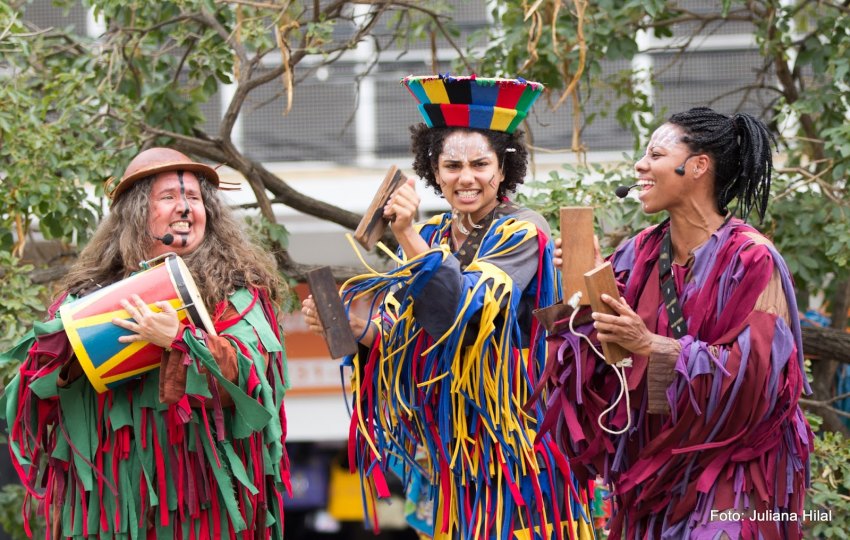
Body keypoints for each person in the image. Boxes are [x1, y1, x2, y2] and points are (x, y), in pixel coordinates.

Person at [302, 75, 594, 540]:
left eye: (481, 163)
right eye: (452, 165)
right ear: (434, 171)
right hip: (454, 455)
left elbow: (467, 311)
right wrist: (356, 327)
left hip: (519, 445)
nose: (467, 177)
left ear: (502, 169)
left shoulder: (522, 229)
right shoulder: (436, 236)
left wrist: (406, 236)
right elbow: (409, 342)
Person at [539, 107, 813, 538]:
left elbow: (759, 381)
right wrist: (592, 280)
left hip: (729, 473)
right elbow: (606, 362)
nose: (640, 165)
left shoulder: (753, 259)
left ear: (698, 166)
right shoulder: (637, 253)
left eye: (655, 154)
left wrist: (652, 344)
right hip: (653, 472)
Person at [0, 148, 291, 539]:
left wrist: (181, 339)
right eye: (169, 197)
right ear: (137, 213)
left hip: (206, 507)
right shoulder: (87, 296)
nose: (186, 209)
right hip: (116, 506)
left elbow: (254, 382)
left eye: (194, 199)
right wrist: (66, 366)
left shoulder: (238, 294)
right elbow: (30, 394)